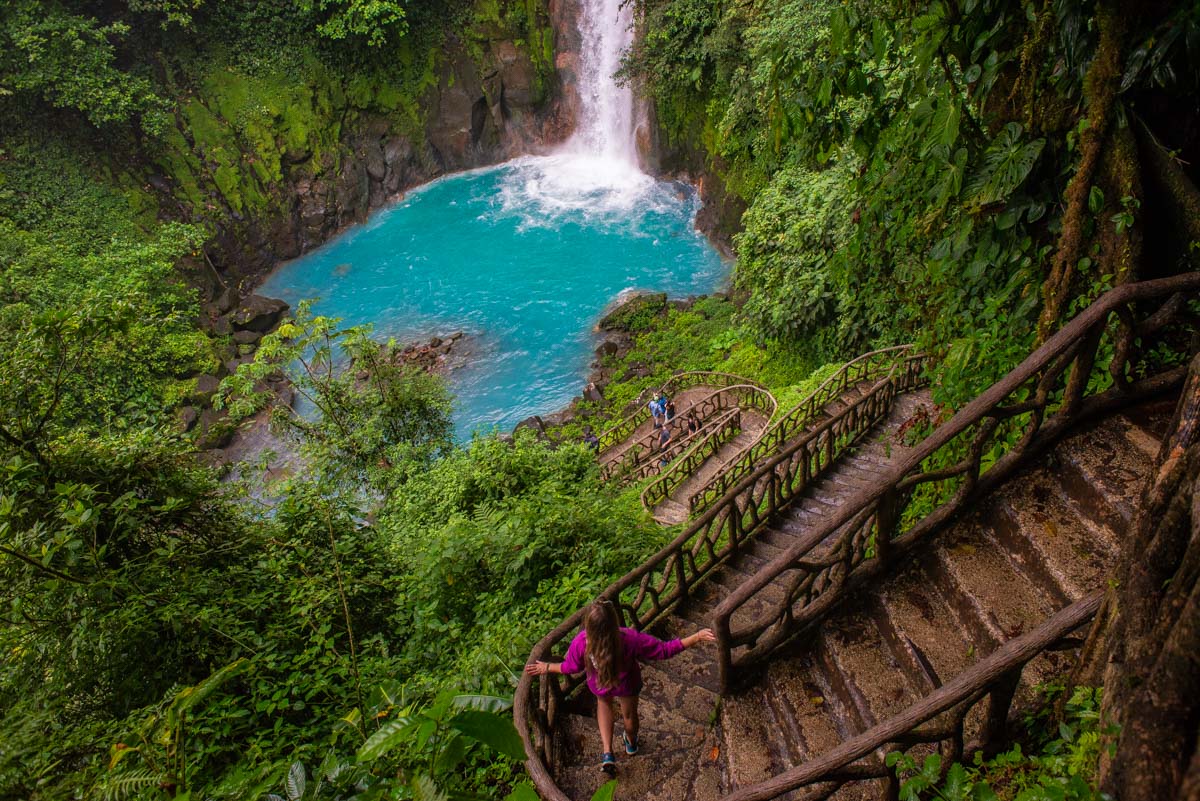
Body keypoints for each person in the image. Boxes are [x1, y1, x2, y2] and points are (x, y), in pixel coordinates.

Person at [525, 600, 716, 774]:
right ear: (613, 622)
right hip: (627, 684)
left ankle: (607, 752)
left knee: (603, 704)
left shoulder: (581, 642)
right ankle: (631, 744)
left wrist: (547, 667)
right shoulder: (629, 638)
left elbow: (570, 667)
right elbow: (664, 650)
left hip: (599, 685)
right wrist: (696, 636)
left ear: (588, 627)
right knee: (629, 716)